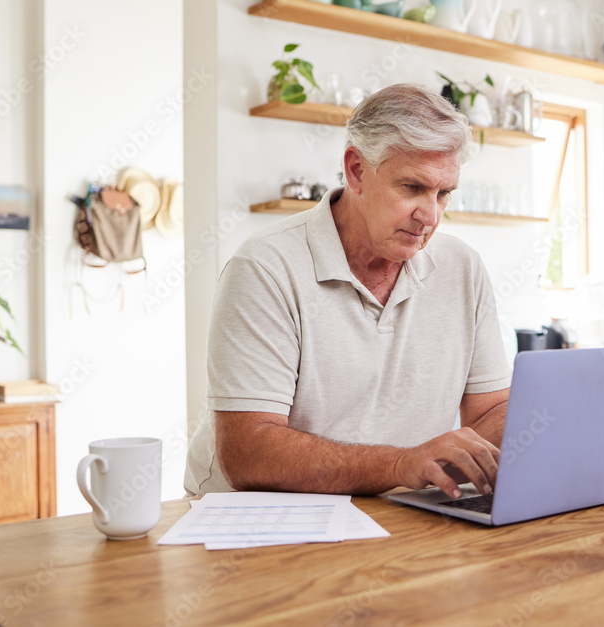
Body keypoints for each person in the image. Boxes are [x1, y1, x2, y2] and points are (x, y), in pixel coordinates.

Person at [184, 84, 511, 500]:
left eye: (443, 193)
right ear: (356, 170)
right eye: (411, 187)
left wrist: (442, 465)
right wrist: (400, 464)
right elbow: (248, 452)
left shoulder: (464, 268)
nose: (429, 215)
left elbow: (492, 411)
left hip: (395, 509)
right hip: (254, 521)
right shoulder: (265, 267)